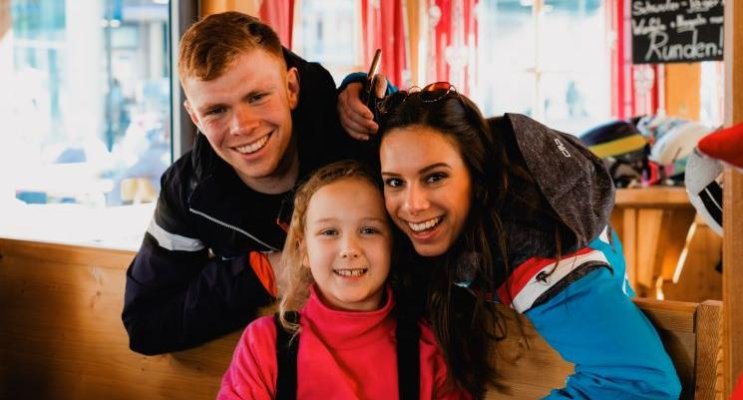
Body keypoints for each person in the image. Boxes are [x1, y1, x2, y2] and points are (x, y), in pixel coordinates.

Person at [372, 83, 681, 398]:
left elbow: (643, 386)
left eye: (435, 177)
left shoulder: (540, 257)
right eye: (395, 182)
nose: (412, 204)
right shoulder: (467, 211)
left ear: (476, 176)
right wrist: (359, 88)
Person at [122, 11, 369, 355]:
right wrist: (261, 273)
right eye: (216, 111)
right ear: (194, 117)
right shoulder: (189, 189)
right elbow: (145, 324)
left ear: (292, 88)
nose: (242, 126)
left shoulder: (353, 136)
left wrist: (372, 91)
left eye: (256, 97)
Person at [217, 160, 470, 399]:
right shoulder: (264, 345)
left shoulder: (428, 352)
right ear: (303, 250)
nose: (349, 249)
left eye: (369, 230)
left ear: (391, 246)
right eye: (329, 232)